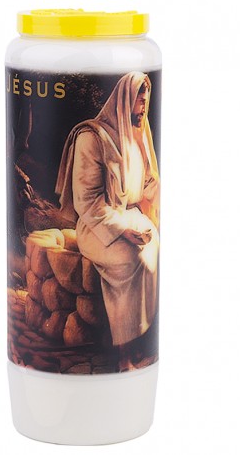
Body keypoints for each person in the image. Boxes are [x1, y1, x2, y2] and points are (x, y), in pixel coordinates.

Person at [55, 71, 160, 371]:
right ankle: (124, 355)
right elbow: (87, 202)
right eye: (138, 99)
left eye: (146, 99)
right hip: (97, 226)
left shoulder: (139, 136)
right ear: (124, 99)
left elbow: (149, 182)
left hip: (132, 219)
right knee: (131, 259)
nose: (143, 106)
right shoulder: (92, 138)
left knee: (154, 250)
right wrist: (123, 230)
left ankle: (142, 345)